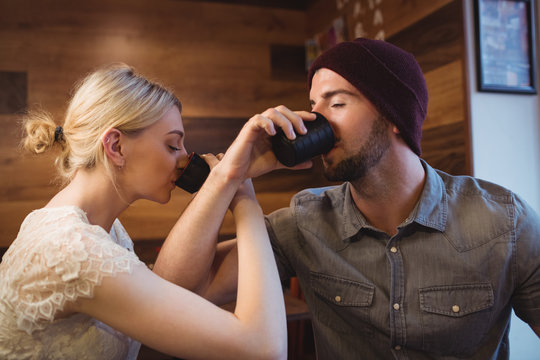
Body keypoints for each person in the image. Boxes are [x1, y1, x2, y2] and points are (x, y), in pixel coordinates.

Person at [154, 38, 540, 359]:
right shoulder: (305, 222)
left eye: (336, 103)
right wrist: (228, 176)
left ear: (393, 116)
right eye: (313, 105)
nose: (312, 120)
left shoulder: (504, 223)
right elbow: (176, 289)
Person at [0, 63, 311, 359]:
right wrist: (241, 192)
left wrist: (225, 181)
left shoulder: (104, 230)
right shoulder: (71, 249)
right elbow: (265, 348)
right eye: (172, 145)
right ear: (116, 147)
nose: (183, 158)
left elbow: (168, 290)